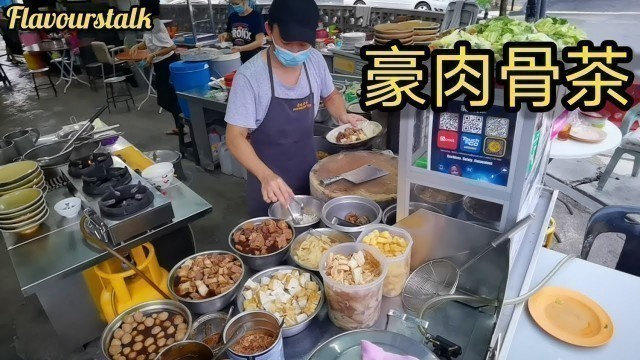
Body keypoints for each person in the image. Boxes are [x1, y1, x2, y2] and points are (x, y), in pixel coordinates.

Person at [225, 0, 367, 217]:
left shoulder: (315, 60)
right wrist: (266, 176)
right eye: (287, 42)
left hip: (310, 175)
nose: (295, 52)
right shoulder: (250, 77)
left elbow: (330, 95)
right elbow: (235, 137)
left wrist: (342, 115)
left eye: (303, 45)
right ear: (269, 29)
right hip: (268, 184)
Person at [130, 0, 183, 136]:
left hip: (167, 64)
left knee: (165, 100)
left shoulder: (156, 25)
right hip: (160, 64)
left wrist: (152, 55)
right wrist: (138, 46)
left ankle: (186, 121)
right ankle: (180, 127)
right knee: (170, 98)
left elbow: (171, 47)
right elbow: (149, 41)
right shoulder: (150, 24)